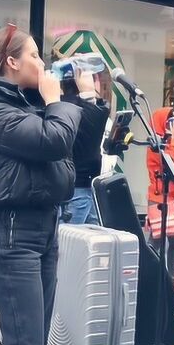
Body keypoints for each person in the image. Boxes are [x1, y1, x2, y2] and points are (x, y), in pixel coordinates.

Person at [0, 24, 82, 345]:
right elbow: (53, 141)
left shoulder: (23, 105)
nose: (41, 63)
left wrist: (84, 98)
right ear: (12, 62)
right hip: (13, 235)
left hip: (43, 228)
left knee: (35, 339)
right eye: (35, 55)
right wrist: (54, 102)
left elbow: (67, 152)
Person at [55, 54, 111, 225]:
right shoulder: (94, 111)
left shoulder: (58, 106)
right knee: (71, 246)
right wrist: (87, 92)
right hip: (79, 189)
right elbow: (97, 109)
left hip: (76, 187)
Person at [146, 107, 174, 278]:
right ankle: (151, 275)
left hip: (173, 200)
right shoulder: (157, 145)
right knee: (156, 241)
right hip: (160, 200)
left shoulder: (170, 143)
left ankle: (172, 279)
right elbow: (171, 162)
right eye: (172, 123)